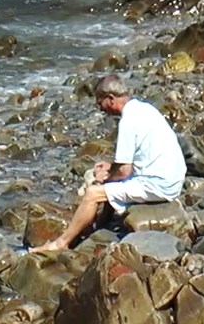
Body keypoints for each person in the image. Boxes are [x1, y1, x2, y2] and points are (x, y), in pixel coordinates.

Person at [28, 75, 186, 253]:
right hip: (172, 178)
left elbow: (125, 171)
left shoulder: (128, 122)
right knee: (111, 181)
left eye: (99, 102)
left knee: (93, 193)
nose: (99, 108)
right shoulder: (144, 109)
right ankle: (99, 226)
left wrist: (107, 177)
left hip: (159, 185)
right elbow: (141, 156)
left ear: (111, 99)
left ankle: (61, 243)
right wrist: (111, 168)